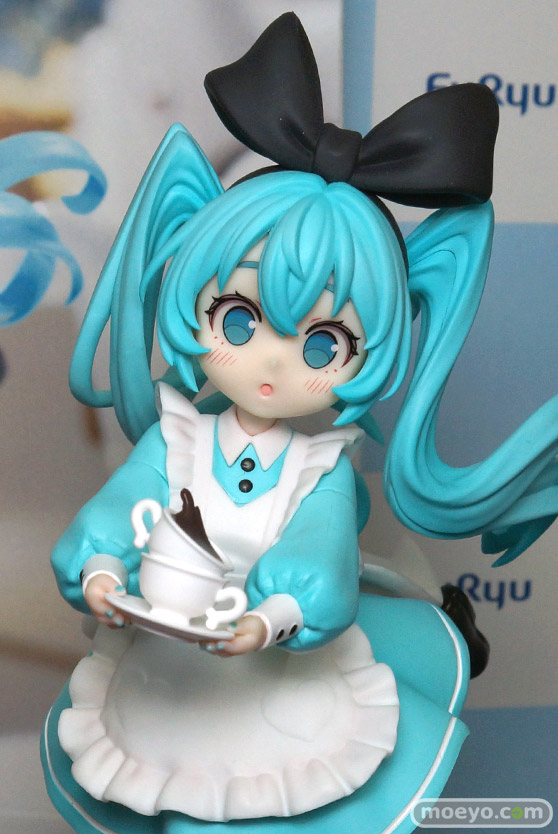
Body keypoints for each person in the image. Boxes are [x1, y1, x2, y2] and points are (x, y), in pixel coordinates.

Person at [41, 13, 556, 834]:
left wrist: (273, 616)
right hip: (170, 666)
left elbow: (318, 552)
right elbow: (126, 502)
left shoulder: (321, 469)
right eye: (238, 320)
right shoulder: (178, 437)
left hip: (275, 673)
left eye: (324, 344)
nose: (272, 365)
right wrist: (101, 565)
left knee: (278, 803)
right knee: (166, 797)